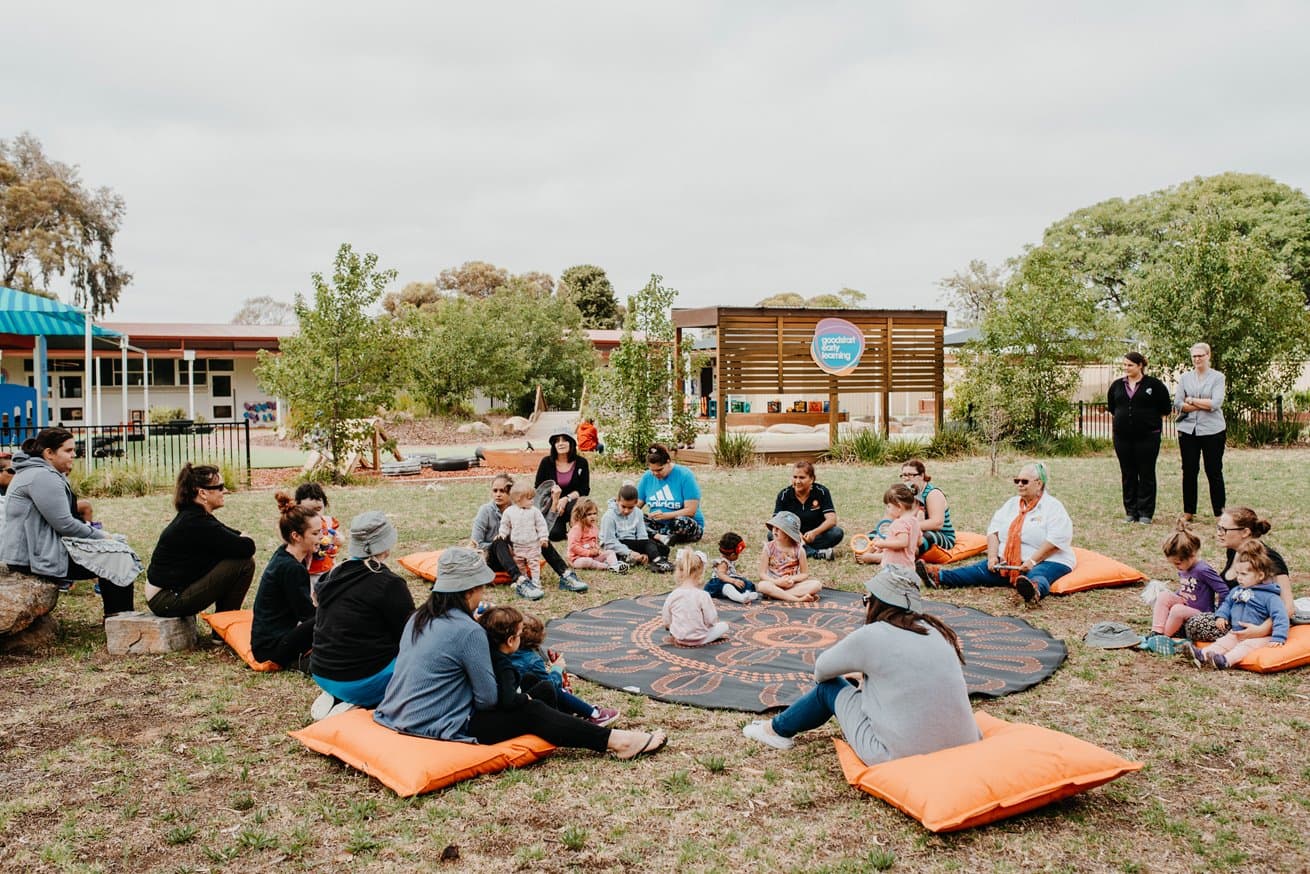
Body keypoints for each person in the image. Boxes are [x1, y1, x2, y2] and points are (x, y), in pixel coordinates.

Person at [373, 547, 667, 759]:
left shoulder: (419, 617)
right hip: (436, 723)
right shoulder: (468, 631)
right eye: (481, 589)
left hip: (397, 712)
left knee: (532, 690)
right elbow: (488, 699)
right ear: (466, 591)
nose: (483, 595)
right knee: (531, 709)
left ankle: (587, 721)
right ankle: (616, 742)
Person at [742, 572, 980, 764]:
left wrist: (860, 673)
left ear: (876, 604)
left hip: (897, 756)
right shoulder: (936, 630)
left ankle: (776, 731)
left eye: (866, 600)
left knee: (830, 688)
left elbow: (822, 671)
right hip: (965, 744)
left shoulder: (872, 635)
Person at [1, 428, 133, 617]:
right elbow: (65, 525)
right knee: (118, 558)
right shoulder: (42, 476)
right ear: (49, 453)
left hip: (31, 552)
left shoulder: (34, 471)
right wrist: (105, 537)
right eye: (68, 450)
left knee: (113, 554)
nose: (74, 455)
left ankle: (117, 619)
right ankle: (121, 622)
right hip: (34, 557)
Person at [918, 462, 1074, 606]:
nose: (1019, 484)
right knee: (978, 570)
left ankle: (1032, 590)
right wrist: (993, 557)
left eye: (1024, 481)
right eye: (1017, 480)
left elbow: (1056, 540)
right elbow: (994, 531)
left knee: (1038, 574)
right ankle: (939, 577)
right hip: (1010, 561)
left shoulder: (1052, 507)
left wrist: (1032, 561)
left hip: (1046, 560)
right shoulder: (1012, 504)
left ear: (1039, 484)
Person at [310, 511, 416, 718]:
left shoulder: (333, 575)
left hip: (321, 671)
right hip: (361, 678)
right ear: (385, 543)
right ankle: (361, 701)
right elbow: (408, 635)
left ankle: (337, 695)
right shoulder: (388, 584)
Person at [146, 464, 255, 618]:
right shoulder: (196, 523)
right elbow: (247, 547)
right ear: (202, 493)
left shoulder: (196, 516)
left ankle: (222, 625)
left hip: (169, 593)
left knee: (234, 556)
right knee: (244, 563)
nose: (225, 491)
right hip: (166, 599)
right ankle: (223, 626)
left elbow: (232, 538)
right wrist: (243, 539)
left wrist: (240, 539)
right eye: (220, 487)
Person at [1182, 506, 1293, 642]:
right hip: (1231, 612)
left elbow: (1288, 607)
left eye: (1224, 529)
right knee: (1179, 610)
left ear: (1245, 532)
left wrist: (1262, 630)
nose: (1219, 533)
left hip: (1251, 621)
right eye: (1218, 528)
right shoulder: (1234, 551)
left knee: (1194, 624)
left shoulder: (1270, 558)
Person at [470, 474, 587, 598]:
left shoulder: (523, 508)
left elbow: (543, 528)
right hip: (494, 558)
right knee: (500, 540)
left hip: (521, 553)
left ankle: (565, 574)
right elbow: (476, 544)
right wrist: (503, 545)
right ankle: (521, 581)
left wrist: (554, 504)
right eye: (495, 490)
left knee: (539, 537)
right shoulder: (486, 511)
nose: (498, 494)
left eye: (503, 491)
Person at [1186, 540, 1288, 669]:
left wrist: (1278, 637)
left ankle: (1225, 661)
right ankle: (1202, 655)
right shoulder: (1237, 591)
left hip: (1260, 636)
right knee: (1223, 642)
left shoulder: (1270, 596)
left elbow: (1280, 616)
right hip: (1237, 632)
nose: (1239, 578)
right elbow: (1227, 604)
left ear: (1260, 575)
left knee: (1244, 647)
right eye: (1238, 573)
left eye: (1244, 574)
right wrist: (1221, 615)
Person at [506, 612, 620, 726]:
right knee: (559, 691)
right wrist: (557, 669)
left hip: (517, 699)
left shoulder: (504, 653)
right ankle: (595, 714)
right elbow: (550, 688)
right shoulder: (532, 660)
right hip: (532, 705)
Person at [249, 494, 320, 670]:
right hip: (272, 648)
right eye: (315, 533)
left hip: (269, 641)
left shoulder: (285, 554)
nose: (321, 537)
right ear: (296, 536)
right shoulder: (291, 568)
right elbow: (307, 615)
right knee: (331, 616)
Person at [1107, 351, 1172, 524]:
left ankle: (1145, 513)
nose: (1126, 368)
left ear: (1140, 365)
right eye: (1125, 365)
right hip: (1122, 438)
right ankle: (1131, 511)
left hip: (1148, 437)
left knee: (1146, 473)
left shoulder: (1154, 385)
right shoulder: (1117, 386)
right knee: (1128, 474)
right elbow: (1113, 407)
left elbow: (1165, 408)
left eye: (1130, 365)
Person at [1143, 520, 1228, 647]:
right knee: (1164, 596)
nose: (1176, 567)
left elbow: (1223, 590)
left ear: (1192, 555)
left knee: (1177, 610)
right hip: (1186, 605)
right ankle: (1156, 631)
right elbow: (1186, 589)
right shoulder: (1184, 567)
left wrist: (1221, 614)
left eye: (1178, 563)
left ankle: (1163, 637)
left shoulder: (1203, 570)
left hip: (1201, 613)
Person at [860, 460, 954, 562]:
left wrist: (905, 527)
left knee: (918, 539)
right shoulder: (905, 493)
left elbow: (937, 524)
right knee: (876, 533)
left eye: (910, 475)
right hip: (909, 528)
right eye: (904, 475)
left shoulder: (933, 494)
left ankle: (881, 557)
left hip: (938, 534)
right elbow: (889, 518)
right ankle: (865, 550)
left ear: (921, 475)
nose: (906, 478)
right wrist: (884, 533)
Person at [500, 480, 579, 600]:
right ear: (518, 499)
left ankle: (536, 582)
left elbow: (541, 525)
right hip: (517, 545)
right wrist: (502, 534)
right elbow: (505, 524)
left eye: (532, 498)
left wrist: (543, 538)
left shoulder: (534, 511)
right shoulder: (509, 512)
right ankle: (524, 582)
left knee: (534, 564)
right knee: (520, 564)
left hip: (532, 544)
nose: (532, 501)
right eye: (529, 498)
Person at [1175, 342, 1226, 520]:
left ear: (1208, 356)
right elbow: (1178, 403)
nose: (1197, 359)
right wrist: (1199, 403)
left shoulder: (1218, 378)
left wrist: (1192, 400)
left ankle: (1220, 513)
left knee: (1214, 471)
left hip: (1213, 430)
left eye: (1200, 356)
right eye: (1194, 356)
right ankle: (1189, 511)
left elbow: (1215, 403)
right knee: (1189, 471)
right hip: (1188, 430)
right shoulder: (1185, 378)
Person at [772, 461, 843, 560]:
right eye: (794, 477)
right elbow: (776, 522)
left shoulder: (822, 492)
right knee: (772, 535)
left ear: (812, 479)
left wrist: (814, 533)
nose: (797, 481)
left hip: (816, 536)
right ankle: (816, 553)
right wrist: (796, 535)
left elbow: (832, 520)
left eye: (802, 477)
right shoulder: (784, 495)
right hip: (792, 537)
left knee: (836, 533)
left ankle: (798, 550)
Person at [859, 485, 923, 594]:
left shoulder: (899, 523)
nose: (887, 510)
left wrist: (883, 544)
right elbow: (920, 541)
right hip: (909, 567)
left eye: (888, 506)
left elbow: (903, 542)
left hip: (894, 568)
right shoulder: (914, 521)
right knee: (902, 594)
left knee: (879, 591)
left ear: (899, 506)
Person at [637, 443, 704, 545]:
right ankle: (661, 537)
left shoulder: (685, 475)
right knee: (635, 517)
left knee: (681, 522)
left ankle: (654, 535)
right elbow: (636, 505)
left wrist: (665, 516)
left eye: (659, 470)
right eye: (652, 471)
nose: (655, 474)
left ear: (668, 462)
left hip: (682, 524)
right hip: (658, 525)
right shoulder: (647, 477)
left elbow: (691, 511)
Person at [661, 548, 730, 645]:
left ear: (679, 571)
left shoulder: (673, 595)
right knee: (724, 626)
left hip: (679, 637)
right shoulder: (703, 595)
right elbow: (711, 620)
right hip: (700, 638)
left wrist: (671, 627)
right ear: (700, 572)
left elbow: (666, 619)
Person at [600, 483, 673, 572]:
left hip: (632, 542)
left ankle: (643, 559)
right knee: (649, 545)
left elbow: (642, 537)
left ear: (636, 503)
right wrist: (630, 552)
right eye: (623, 506)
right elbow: (609, 542)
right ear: (617, 501)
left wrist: (641, 552)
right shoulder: (609, 516)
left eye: (630, 507)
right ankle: (657, 560)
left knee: (663, 549)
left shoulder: (638, 513)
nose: (626, 511)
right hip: (616, 544)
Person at [534, 432, 591, 542]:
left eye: (564, 440)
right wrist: (555, 502)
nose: (560, 443)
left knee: (582, 504)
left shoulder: (581, 462)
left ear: (571, 443)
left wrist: (566, 499)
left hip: (572, 502)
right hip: (552, 505)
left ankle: (577, 527)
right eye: (557, 441)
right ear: (553, 445)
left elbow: (584, 489)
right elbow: (538, 488)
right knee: (555, 535)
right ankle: (562, 530)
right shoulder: (546, 462)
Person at [757, 511, 823, 602]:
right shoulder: (768, 548)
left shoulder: (799, 550)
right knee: (762, 586)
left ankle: (777, 595)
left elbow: (805, 574)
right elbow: (762, 574)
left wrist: (791, 579)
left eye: (779, 528)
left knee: (817, 585)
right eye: (774, 527)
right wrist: (777, 582)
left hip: (791, 585)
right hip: (774, 584)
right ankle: (797, 599)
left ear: (788, 534)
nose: (775, 530)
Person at [295, 483, 343, 586]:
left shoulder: (328, 522)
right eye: (309, 511)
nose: (315, 515)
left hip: (328, 570)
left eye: (318, 509)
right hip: (307, 573)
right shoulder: (298, 527)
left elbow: (337, 539)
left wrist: (338, 540)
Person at [566, 497, 628, 573]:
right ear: (580, 515)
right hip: (577, 559)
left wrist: (597, 550)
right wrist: (588, 553)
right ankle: (608, 567)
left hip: (592, 556)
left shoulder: (594, 527)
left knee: (610, 552)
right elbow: (573, 547)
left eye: (594, 513)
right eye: (589, 514)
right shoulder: (577, 529)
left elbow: (595, 542)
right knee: (587, 561)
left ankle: (615, 565)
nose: (593, 516)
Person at [706, 531, 759, 604]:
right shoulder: (723, 563)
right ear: (732, 555)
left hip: (729, 580)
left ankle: (748, 593)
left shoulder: (729, 561)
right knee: (728, 588)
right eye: (738, 554)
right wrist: (733, 581)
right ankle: (741, 598)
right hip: (719, 584)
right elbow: (721, 575)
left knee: (745, 583)